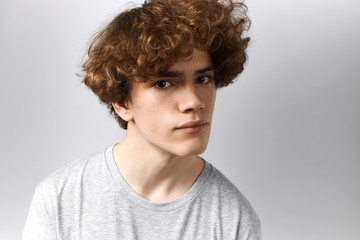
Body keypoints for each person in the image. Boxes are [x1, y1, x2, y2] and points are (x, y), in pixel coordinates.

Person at [23, 0, 261, 239]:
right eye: (163, 83)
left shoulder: (234, 220)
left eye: (203, 80)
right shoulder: (60, 201)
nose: (194, 102)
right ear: (122, 101)